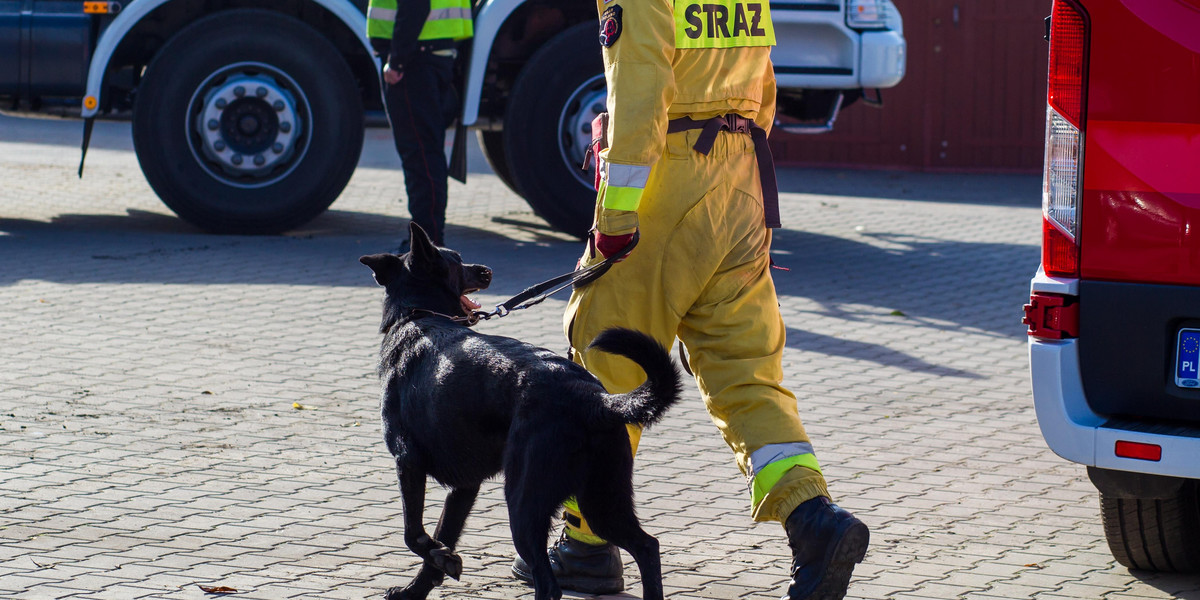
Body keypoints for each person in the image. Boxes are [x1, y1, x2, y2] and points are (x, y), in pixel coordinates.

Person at [510, 1, 869, 599]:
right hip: (741, 187)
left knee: (606, 364)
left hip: (666, 188)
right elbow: (764, 86)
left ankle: (586, 548)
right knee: (747, 377)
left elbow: (641, 92)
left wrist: (616, 218)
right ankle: (812, 520)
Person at [366, 0, 472, 247]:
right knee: (425, 152)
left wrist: (398, 60)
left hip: (415, 58)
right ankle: (428, 242)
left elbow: (415, 4)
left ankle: (428, 245)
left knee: (421, 155)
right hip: (426, 52)